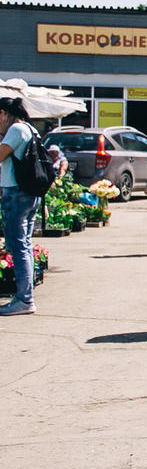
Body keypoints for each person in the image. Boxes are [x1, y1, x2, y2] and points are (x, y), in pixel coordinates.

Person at [0, 98, 39, 315]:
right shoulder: (30, 128)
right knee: (25, 244)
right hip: (29, 193)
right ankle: (26, 296)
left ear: (4, 113)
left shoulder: (15, 129)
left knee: (18, 246)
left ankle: (24, 299)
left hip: (16, 193)